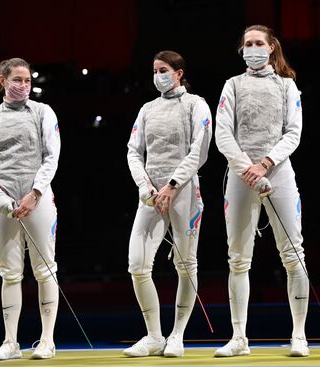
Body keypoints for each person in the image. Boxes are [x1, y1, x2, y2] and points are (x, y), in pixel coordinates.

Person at [214, 25, 309, 357]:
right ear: (242, 50)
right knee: (238, 258)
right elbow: (223, 133)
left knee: (293, 254)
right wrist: (248, 169)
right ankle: (239, 337)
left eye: (258, 43)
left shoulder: (287, 86)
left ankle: (299, 334)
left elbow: (293, 132)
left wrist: (266, 163)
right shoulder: (233, 85)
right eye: (247, 44)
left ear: (271, 48)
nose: (252, 48)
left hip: (279, 174)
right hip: (241, 177)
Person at [124, 50, 212, 358]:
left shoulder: (196, 104)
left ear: (178, 72)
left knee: (185, 264)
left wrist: (173, 185)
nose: (158, 74)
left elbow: (198, 150)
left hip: (184, 192)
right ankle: (153, 336)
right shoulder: (147, 109)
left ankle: (177, 335)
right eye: (154, 70)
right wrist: (147, 186)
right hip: (150, 195)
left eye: (163, 69)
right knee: (137, 265)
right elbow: (133, 152)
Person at [0, 58, 61, 360]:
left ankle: (47, 341)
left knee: (45, 268)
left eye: (28, 80)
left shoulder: (42, 112)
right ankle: (11, 343)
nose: (24, 85)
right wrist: (0, 198)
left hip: (37, 201)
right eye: (18, 80)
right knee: (10, 273)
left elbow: (52, 156)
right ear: (2, 80)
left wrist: (34, 193)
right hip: (5, 204)